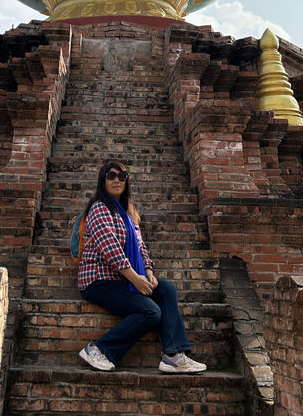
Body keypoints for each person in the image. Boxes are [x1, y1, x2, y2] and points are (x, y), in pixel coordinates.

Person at [77, 159, 207, 374]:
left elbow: (140, 246)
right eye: (111, 175)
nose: (117, 180)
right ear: (103, 180)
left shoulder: (128, 213)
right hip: (98, 280)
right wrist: (135, 279)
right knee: (151, 312)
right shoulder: (99, 208)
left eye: (122, 176)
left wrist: (148, 272)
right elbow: (110, 249)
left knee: (166, 290)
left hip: (121, 279)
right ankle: (99, 350)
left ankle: (173, 355)